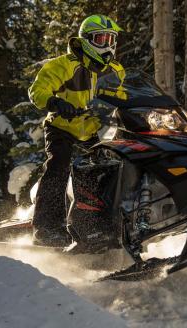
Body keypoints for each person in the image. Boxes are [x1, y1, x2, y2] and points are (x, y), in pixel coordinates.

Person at [28, 14, 126, 246]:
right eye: (101, 39)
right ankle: (46, 228)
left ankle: (101, 225)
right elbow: (38, 90)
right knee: (59, 165)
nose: (108, 45)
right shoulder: (63, 65)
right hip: (62, 127)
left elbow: (124, 97)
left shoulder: (116, 70)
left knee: (111, 169)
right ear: (86, 40)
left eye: (111, 40)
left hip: (95, 130)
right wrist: (55, 102)